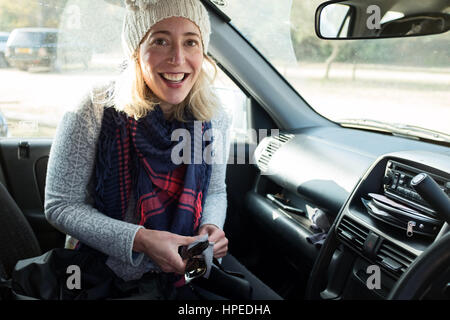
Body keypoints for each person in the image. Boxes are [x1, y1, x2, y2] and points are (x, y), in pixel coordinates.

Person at [44, 0, 281, 300]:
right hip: (105, 275)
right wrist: (141, 240)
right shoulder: (94, 108)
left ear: (203, 51)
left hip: (191, 268)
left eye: (191, 42)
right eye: (160, 40)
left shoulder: (216, 115)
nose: (178, 57)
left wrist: (209, 228)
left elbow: (215, 192)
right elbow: (60, 205)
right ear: (136, 51)